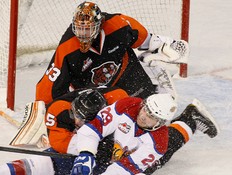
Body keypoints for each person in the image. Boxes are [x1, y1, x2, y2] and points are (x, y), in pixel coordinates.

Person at [0, 91, 218, 175]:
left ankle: (191, 118)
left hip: (128, 162)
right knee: (46, 162)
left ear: (159, 122)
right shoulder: (127, 105)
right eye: (145, 109)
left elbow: (126, 168)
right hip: (108, 150)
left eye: (151, 117)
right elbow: (93, 129)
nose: (143, 116)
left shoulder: (158, 139)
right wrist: (85, 156)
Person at [35, 1, 189, 105]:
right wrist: (45, 112)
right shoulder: (68, 48)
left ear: (99, 24)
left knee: (151, 116)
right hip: (94, 93)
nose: (83, 35)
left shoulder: (119, 25)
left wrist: (168, 48)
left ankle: (155, 74)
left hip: (129, 76)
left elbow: (151, 42)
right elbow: (48, 87)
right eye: (80, 29)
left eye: (87, 29)